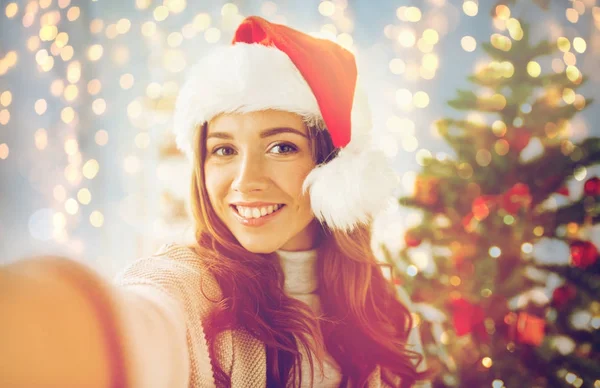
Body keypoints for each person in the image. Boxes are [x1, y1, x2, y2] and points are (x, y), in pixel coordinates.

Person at [0, 16, 433, 388]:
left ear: (333, 167)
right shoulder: (188, 286)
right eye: (224, 150)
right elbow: (142, 320)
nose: (245, 182)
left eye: (281, 147)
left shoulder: (385, 310)